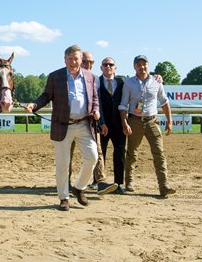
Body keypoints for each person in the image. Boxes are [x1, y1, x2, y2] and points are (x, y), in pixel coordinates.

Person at [26, 45, 99, 211]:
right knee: (63, 164)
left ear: (82, 60)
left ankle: (79, 187)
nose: (73, 62)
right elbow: (46, 96)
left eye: (76, 59)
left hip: (84, 124)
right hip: (62, 125)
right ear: (64, 59)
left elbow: (94, 98)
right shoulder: (55, 76)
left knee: (92, 157)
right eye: (70, 58)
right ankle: (64, 198)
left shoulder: (90, 77)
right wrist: (35, 105)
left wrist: (96, 110)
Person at [118, 55, 176, 197]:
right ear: (134, 67)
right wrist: (124, 122)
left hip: (152, 122)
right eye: (139, 64)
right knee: (132, 153)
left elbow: (164, 102)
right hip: (134, 121)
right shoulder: (129, 83)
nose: (142, 67)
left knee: (159, 153)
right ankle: (129, 183)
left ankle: (163, 186)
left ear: (148, 66)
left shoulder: (156, 82)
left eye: (144, 64)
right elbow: (123, 104)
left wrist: (169, 121)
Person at [69, 51, 118, 196]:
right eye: (85, 62)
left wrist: (101, 122)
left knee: (97, 152)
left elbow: (99, 103)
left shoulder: (95, 79)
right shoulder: (67, 77)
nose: (88, 65)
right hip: (69, 123)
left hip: (90, 123)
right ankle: (65, 182)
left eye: (91, 62)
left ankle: (101, 182)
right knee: (67, 154)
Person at [98, 57, 127, 194]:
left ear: (115, 67)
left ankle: (119, 183)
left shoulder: (123, 81)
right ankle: (98, 181)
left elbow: (140, 80)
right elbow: (97, 105)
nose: (108, 66)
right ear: (101, 67)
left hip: (118, 125)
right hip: (102, 125)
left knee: (120, 153)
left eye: (111, 64)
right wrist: (101, 122)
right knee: (99, 153)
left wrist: (156, 77)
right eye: (105, 64)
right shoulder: (96, 82)